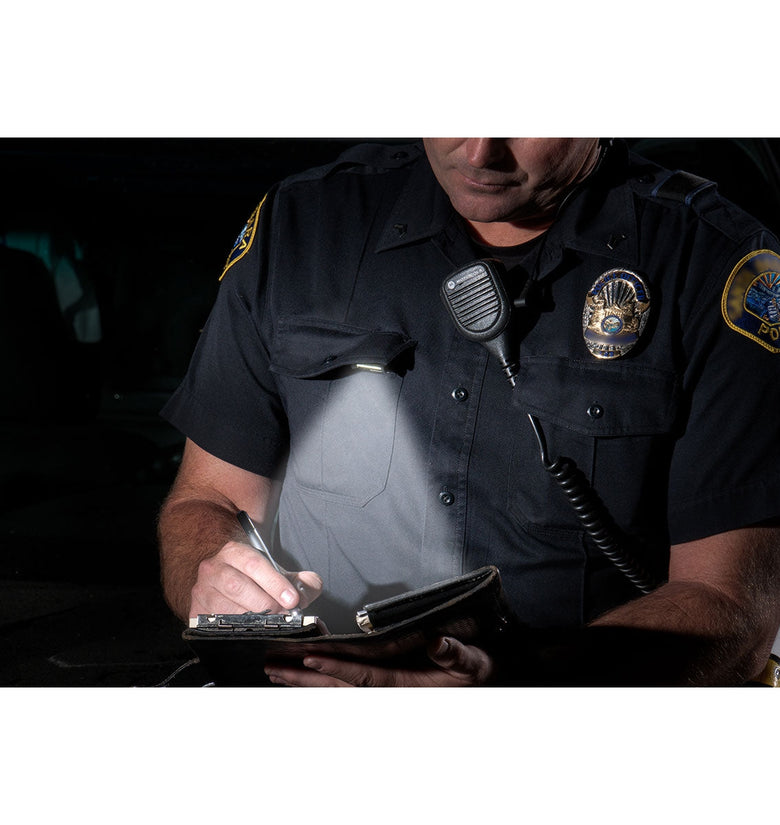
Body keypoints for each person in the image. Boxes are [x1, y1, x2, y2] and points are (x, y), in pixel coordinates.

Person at [157, 138, 780, 686]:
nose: (480, 152)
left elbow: (731, 607)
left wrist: (520, 683)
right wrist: (213, 582)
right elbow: (206, 499)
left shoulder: (717, 264)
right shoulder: (303, 225)